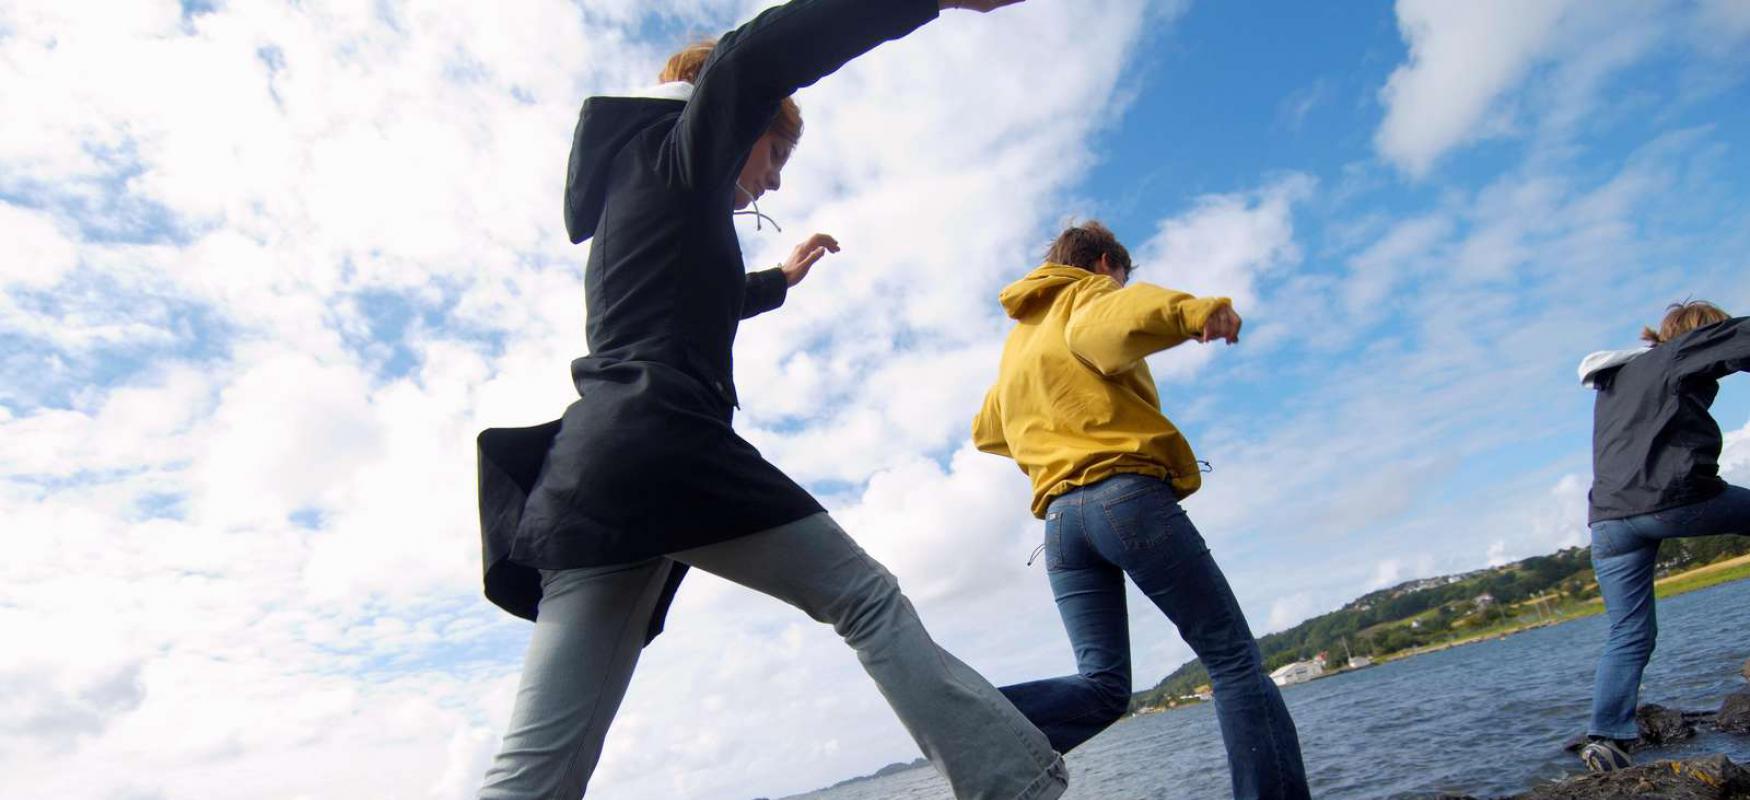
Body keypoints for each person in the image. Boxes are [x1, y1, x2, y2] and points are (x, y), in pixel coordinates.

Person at [472, 2, 1069, 798]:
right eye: (775, 148)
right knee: (865, 599)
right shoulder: (678, 152)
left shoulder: (638, 191)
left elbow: (680, 302)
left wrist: (777, 282)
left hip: (593, 485)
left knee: (536, 765)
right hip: (667, 447)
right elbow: (756, 56)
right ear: (733, 118)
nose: (776, 177)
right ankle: (1014, 786)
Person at [971, 221, 1310, 800]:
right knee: (1231, 660)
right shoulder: (1086, 295)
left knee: (1102, 685)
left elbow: (989, 430)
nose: (1122, 286)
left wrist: (1052, 442)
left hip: (1060, 526)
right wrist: (1196, 312)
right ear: (1105, 264)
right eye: (1123, 277)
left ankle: (972, 725)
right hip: (1124, 499)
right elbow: (1120, 320)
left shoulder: (1019, 342)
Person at [1575, 299, 1749, 773]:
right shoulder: (1678, 354)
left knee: (1629, 634)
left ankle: (1606, 738)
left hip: (1609, 521)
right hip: (1671, 501)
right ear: (1701, 335)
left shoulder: (1616, 379)